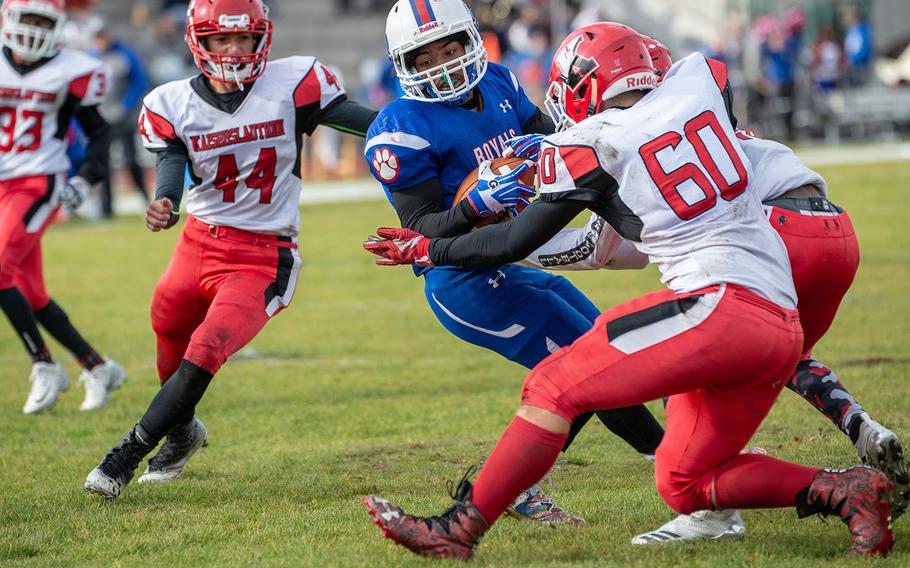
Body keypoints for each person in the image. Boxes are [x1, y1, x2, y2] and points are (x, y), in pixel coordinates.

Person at [362, 23, 894, 559]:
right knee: (681, 481)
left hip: (717, 305)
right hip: (778, 317)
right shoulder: (698, 83)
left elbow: (512, 239)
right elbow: (715, 93)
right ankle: (847, 491)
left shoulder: (596, 145)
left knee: (553, 385)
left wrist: (429, 250)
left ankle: (458, 529)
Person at [516, 35, 908, 544]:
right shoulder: (692, 105)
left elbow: (605, 247)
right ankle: (861, 427)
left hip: (773, 234)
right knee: (778, 355)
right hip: (833, 232)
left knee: (698, 346)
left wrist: (515, 244)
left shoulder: (630, 139)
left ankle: (712, 510)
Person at [364, 0, 666, 524]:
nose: (442, 61)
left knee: (600, 353)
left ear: (471, 40)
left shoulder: (500, 83)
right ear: (403, 64)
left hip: (515, 259)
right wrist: (476, 204)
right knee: (592, 371)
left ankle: (507, 487)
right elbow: (420, 230)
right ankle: (680, 460)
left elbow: (557, 139)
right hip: (462, 279)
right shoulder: (401, 126)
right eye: (425, 54)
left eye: (451, 46)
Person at [83, 0, 377, 500]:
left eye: (244, 39)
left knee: (207, 347)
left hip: (263, 253)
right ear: (200, 42)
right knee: (168, 326)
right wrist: (165, 201)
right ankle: (182, 432)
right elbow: (171, 161)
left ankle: (125, 455)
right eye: (223, 40)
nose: (235, 50)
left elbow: (367, 122)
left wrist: (418, 129)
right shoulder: (173, 102)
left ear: (263, 37)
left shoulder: (294, 84)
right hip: (198, 239)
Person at [0, 0, 125, 414]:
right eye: (27, 19)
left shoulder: (74, 69)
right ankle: (98, 366)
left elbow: (100, 133)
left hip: (37, 182)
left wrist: (85, 178)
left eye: (43, 21)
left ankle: (43, 363)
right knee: (32, 294)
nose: (34, 30)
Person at [91, 19, 152, 215]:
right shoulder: (90, 58)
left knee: (131, 159)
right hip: (102, 118)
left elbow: (140, 82)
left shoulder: (125, 54)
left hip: (122, 116)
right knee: (104, 163)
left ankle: (145, 199)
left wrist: (125, 105)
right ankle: (106, 208)